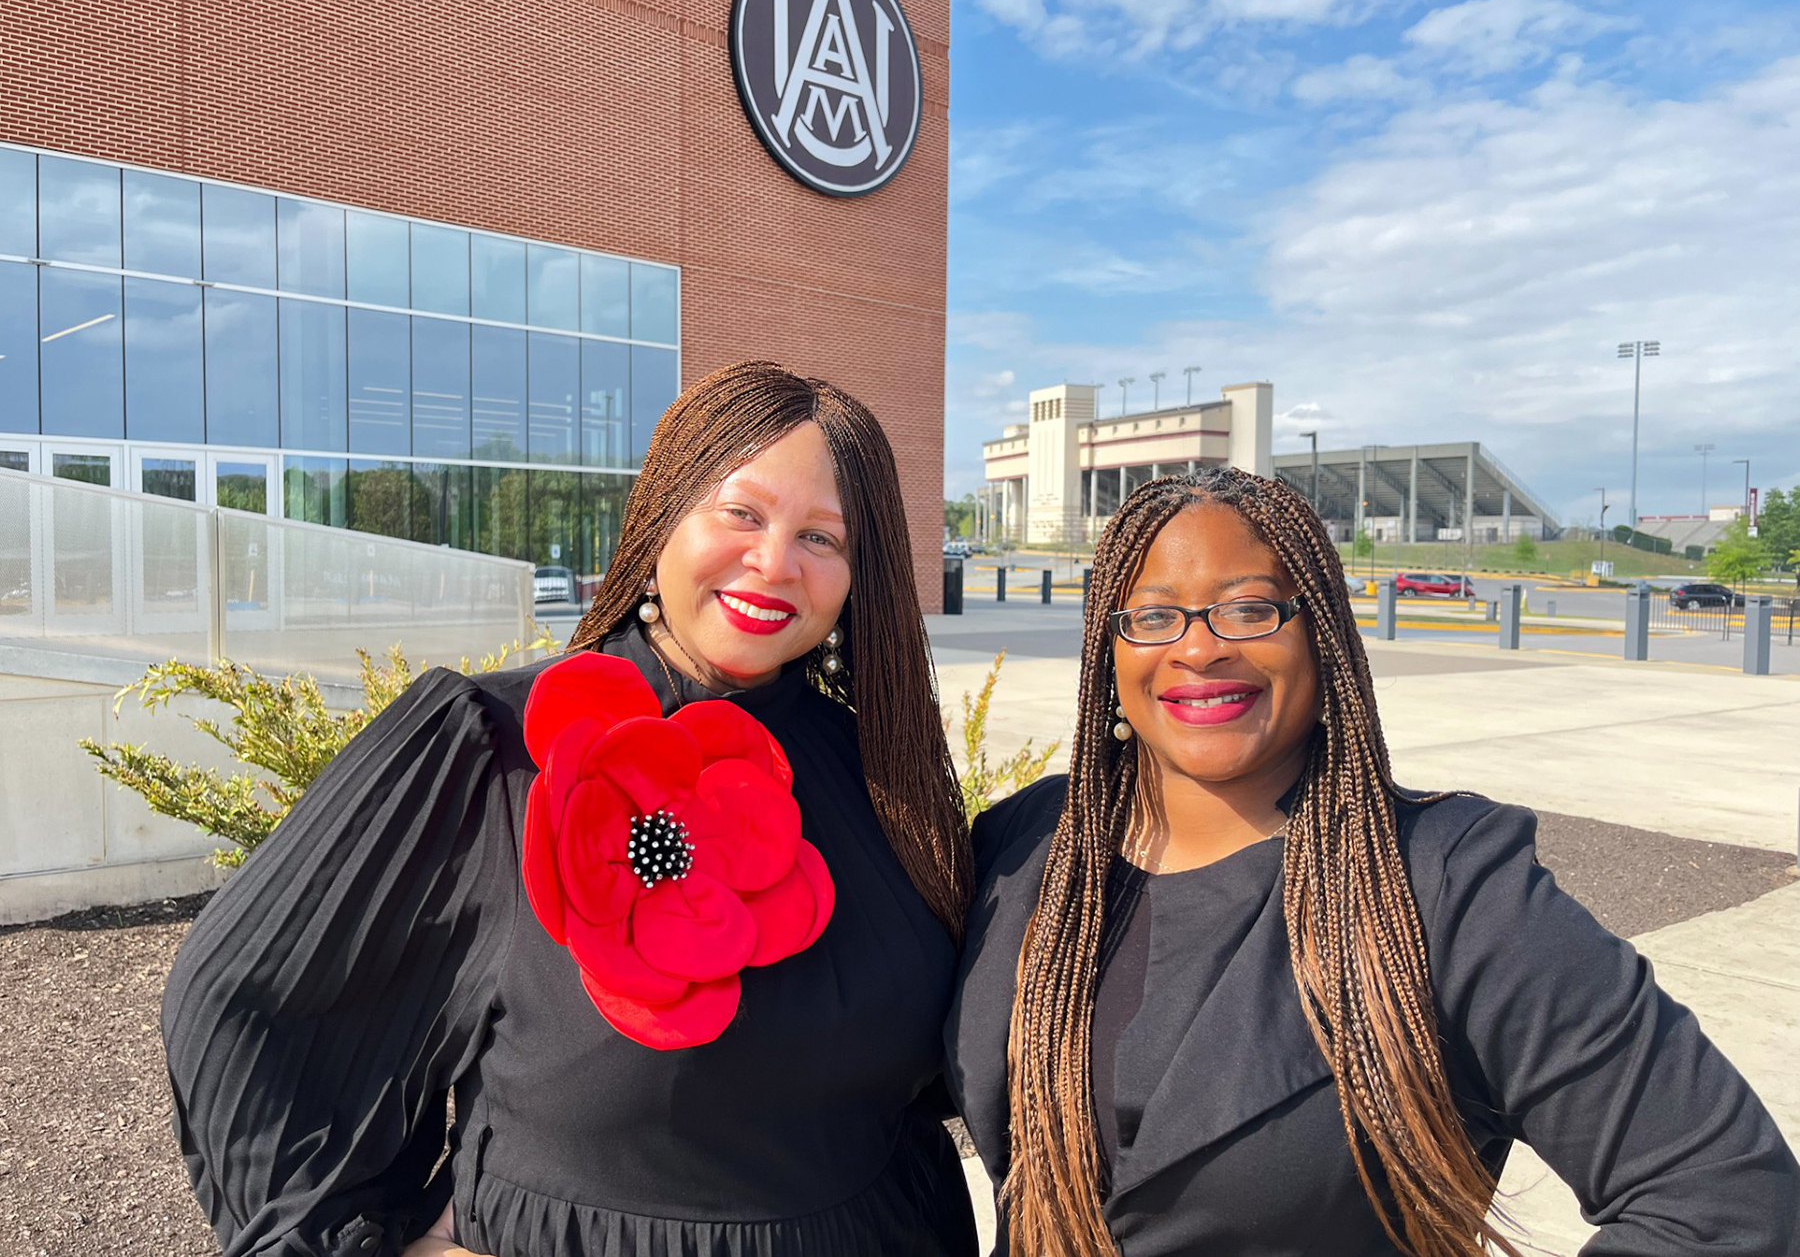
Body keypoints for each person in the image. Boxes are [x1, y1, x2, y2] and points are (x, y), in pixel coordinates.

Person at [163, 360, 977, 1257]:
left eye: (822, 538)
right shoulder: (488, 748)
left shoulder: (877, 768)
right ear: (663, 514)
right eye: (741, 512)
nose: (774, 561)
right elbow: (242, 999)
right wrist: (367, 1240)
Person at [946, 467, 1800, 1257]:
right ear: (1110, 648)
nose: (1200, 647)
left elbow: (1725, 1197)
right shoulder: (1027, 842)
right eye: (1154, 614)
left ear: (1322, 640)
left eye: (1250, 608)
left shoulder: (1448, 884)